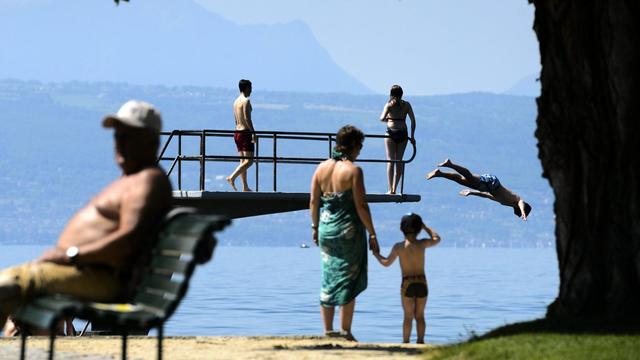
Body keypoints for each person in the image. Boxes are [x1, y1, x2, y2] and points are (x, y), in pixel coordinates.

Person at [0, 100, 173, 334]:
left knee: (8, 287)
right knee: (17, 304)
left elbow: (130, 239)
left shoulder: (147, 181)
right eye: (117, 137)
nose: (118, 144)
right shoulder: (136, 181)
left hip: (105, 283)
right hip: (91, 275)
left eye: (127, 137)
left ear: (151, 142)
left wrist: (71, 256)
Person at [309, 125, 380, 342]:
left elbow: (313, 201)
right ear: (353, 145)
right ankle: (345, 331)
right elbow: (361, 206)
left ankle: (328, 330)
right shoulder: (353, 171)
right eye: (360, 146)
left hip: (326, 229)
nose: (360, 151)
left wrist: (314, 227)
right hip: (348, 230)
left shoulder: (320, 168)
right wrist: (373, 234)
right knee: (349, 278)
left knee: (329, 275)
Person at [373, 213, 441, 344]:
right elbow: (437, 238)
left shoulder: (399, 247)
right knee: (420, 316)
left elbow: (386, 263)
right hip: (421, 282)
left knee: (408, 317)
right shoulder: (422, 243)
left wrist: (376, 254)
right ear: (419, 229)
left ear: (401, 229)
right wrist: (426, 227)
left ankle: (406, 343)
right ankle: (420, 342)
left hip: (407, 283)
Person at [426, 158, 532, 220]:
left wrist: (471, 193)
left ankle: (439, 174)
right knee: (470, 177)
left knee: (460, 180)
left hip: (487, 188)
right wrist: (523, 211)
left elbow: (488, 196)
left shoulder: (507, 203)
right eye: (522, 215)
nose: (519, 216)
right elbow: (521, 201)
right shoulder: (516, 200)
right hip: (493, 183)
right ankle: (450, 164)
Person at [380, 85, 416, 194]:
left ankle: (390, 189)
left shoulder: (389, 105)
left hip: (391, 132)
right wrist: (412, 136)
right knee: (399, 161)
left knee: (390, 161)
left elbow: (381, 118)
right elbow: (413, 121)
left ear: (391, 94)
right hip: (403, 133)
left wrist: (389, 119)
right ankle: (395, 188)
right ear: (402, 94)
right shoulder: (407, 105)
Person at [226, 79, 256, 192]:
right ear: (247, 88)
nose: (251, 91)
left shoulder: (235, 101)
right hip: (245, 133)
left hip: (237, 133)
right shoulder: (246, 101)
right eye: (251, 88)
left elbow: (235, 119)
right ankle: (232, 177)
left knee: (243, 161)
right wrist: (253, 133)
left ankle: (245, 187)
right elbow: (247, 118)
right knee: (249, 161)